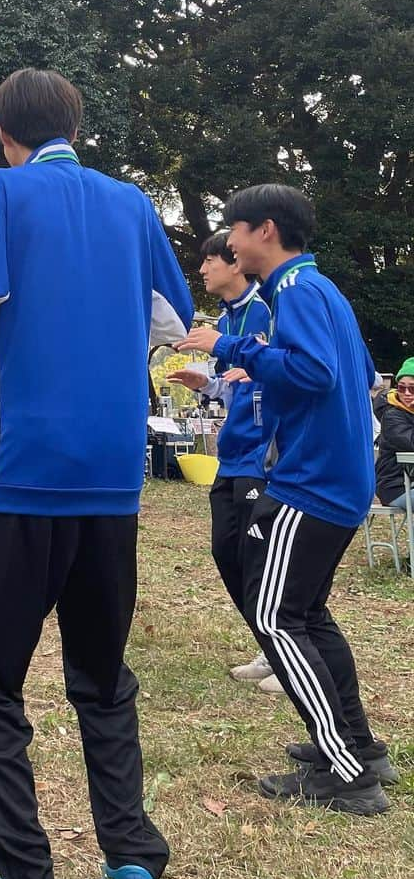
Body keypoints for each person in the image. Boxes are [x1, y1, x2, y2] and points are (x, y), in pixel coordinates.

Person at [0, 68, 193, 879]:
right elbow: (171, 319)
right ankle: (132, 865)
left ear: (5, 133)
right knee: (103, 679)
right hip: (112, 484)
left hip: (16, 477)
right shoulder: (132, 203)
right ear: (74, 122)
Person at [178, 183, 393, 815]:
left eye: (233, 231)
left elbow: (315, 373)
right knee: (309, 615)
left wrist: (230, 347)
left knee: (274, 619)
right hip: (336, 479)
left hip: (315, 483)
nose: (228, 243)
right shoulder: (315, 291)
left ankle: (348, 774)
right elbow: (334, 374)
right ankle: (360, 745)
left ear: (264, 231)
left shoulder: (298, 291)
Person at [167, 231, 278, 691]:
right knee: (226, 551)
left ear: (235, 263)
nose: (202, 270)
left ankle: (283, 654)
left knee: (261, 556)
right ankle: (269, 645)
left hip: (264, 454)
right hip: (231, 454)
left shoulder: (267, 310)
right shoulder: (226, 320)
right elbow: (232, 383)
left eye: (209, 261)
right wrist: (206, 383)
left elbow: (287, 371)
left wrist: (255, 365)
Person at [374, 358, 414, 512]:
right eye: (401, 388)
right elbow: (410, 443)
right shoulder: (391, 415)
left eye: (412, 388)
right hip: (395, 487)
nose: (406, 393)